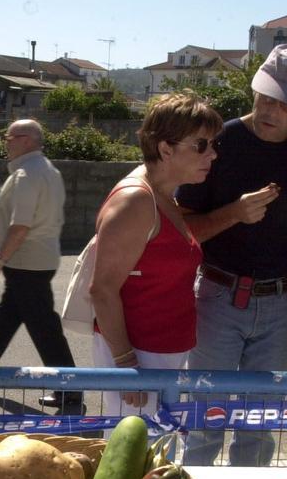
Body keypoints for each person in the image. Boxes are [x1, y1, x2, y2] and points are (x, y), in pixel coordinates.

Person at [176, 44, 287, 466]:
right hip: (218, 296)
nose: (271, 109)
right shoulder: (217, 143)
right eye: (266, 95)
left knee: (259, 429)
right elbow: (184, 229)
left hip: (283, 302)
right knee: (204, 422)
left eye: (286, 103)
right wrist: (235, 213)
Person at [89, 91, 220, 418]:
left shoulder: (163, 195)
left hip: (160, 354)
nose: (213, 154)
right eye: (201, 144)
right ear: (165, 149)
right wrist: (125, 365)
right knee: (135, 458)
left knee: (158, 456)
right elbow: (102, 290)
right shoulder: (136, 201)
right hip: (141, 359)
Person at [0, 120, 80, 410]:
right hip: (34, 261)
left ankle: (72, 389)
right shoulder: (46, 170)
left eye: (10, 137)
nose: (6, 143)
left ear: (27, 140)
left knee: (45, 330)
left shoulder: (28, 174)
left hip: (27, 262)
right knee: (7, 320)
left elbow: (20, 226)